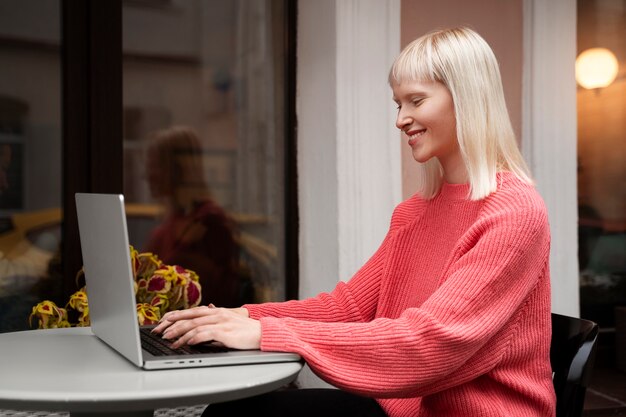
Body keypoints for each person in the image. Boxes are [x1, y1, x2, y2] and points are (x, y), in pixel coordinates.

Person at [153, 27, 556, 417]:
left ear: (467, 99)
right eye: (399, 104)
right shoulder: (416, 211)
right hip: (401, 408)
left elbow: (432, 342)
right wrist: (244, 316)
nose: (402, 119)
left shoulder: (513, 212)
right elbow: (349, 307)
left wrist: (266, 333)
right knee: (236, 411)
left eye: (416, 100)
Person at [143, 126, 249, 307]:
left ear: (178, 170)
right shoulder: (174, 220)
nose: (147, 175)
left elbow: (213, 295)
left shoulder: (209, 224)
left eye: (155, 166)